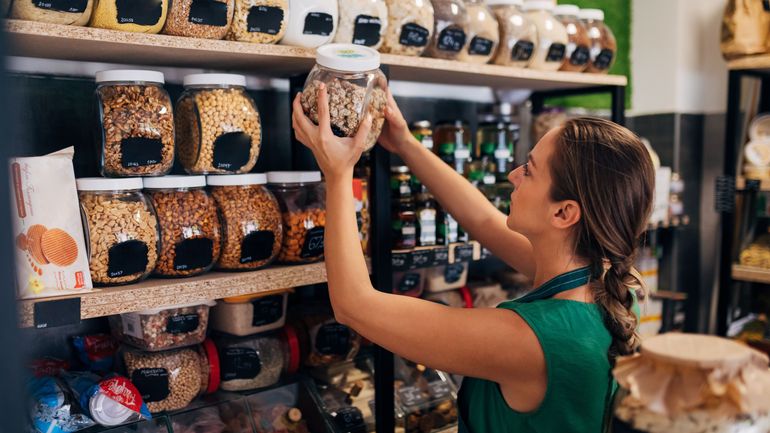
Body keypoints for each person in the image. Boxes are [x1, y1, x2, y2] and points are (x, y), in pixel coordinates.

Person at [291, 83, 654, 433]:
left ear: (563, 214)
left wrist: (338, 174)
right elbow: (483, 220)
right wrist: (404, 143)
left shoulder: (533, 340)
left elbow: (355, 306)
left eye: (528, 170)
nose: (513, 175)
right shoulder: (610, 285)